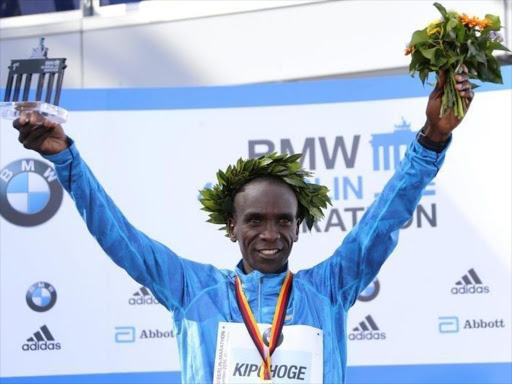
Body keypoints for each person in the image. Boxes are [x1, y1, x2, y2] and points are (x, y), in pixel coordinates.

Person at [13, 70, 473, 383]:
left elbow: (384, 219)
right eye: (255, 220)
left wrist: (433, 139)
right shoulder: (192, 288)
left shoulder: (330, 289)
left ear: (298, 227)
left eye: (283, 221)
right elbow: (117, 234)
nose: (270, 234)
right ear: (232, 227)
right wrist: (64, 158)